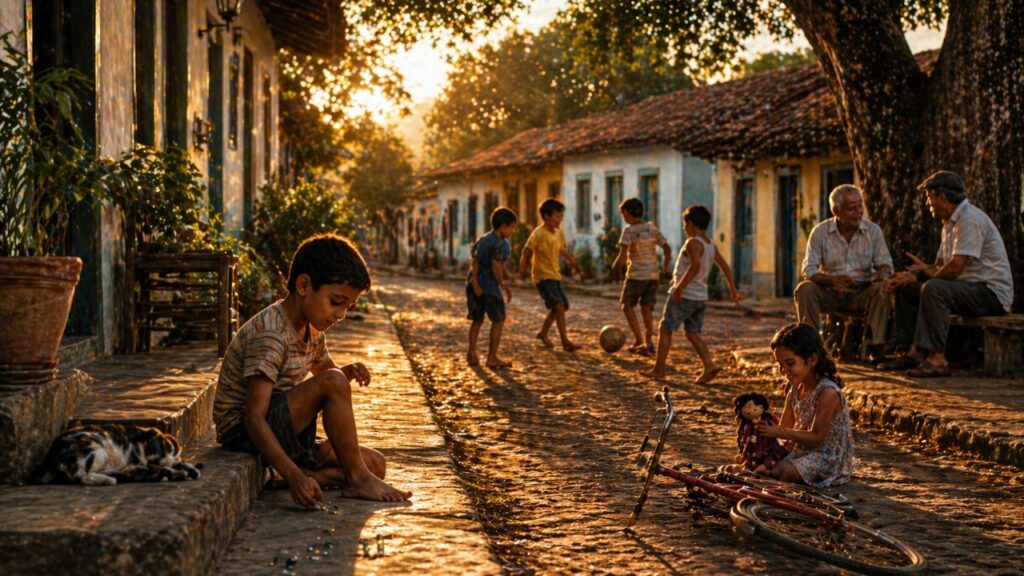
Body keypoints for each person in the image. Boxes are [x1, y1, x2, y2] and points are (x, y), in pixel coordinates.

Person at [214, 234, 411, 508]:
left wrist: (349, 371)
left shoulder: (312, 329)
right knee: (354, 459)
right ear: (304, 285)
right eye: (336, 301)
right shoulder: (270, 334)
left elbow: (328, 375)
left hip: (289, 428)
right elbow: (253, 418)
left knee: (376, 464)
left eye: (348, 307)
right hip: (243, 432)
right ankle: (349, 478)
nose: (341, 314)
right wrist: (292, 475)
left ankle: (326, 475)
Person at [882, 171, 1014, 377]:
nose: (928, 204)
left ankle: (937, 359)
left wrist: (922, 275)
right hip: (967, 289)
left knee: (934, 289)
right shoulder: (949, 224)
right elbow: (939, 267)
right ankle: (914, 352)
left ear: (941, 197)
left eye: (929, 198)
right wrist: (914, 276)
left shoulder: (969, 219)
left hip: (991, 294)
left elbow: (953, 270)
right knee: (908, 289)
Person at [642, 205, 741, 384]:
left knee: (665, 329)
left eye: (684, 224)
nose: (684, 228)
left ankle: (659, 369)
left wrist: (679, 288)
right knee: (692, 332)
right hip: (700, 296)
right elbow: (725, 267)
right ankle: (709, 365)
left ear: (690, 223)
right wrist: (733, 291)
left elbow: (694, 266)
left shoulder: (693, 242)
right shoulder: (710, 245)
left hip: (686, 295)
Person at [795, 184, 893, 364]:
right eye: (851, 208)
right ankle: (810, 347)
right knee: (805, 289)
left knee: (882, 288)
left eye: (859, 206)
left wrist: (878, 275)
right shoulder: (820, 232)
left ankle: (875, 347)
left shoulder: (873, 231)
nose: (858, 212)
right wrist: (831, 281)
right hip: (830, 292)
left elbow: (886, 265)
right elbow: (809, 269)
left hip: (862, 290)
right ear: (836, 211)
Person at [756, 323, 855, 488]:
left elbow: (817, 438)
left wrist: (779, 432)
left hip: (825, 458)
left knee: (783, 471)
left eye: (790, 363)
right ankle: (763, 474)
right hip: (800, 451)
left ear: (812, 360)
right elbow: (784, 429)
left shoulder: (827, 392)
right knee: (759, 460)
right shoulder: (794, 390)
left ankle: (766, 476)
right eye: (780, 364)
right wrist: (763, 432)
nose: (784, 370)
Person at [520, 198, 584, 351]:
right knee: (559, 306)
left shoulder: (559, 233)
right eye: (557, 216)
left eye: (561, 216)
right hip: (542, 276)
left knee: (561, 307)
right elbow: (526, 251)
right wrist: (522, 269)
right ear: (547, 216)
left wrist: (573, 263)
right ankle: (565, 341)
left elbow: (561, 251)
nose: (560, 219)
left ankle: (543, 333)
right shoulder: (538, 233)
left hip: (555, 275)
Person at [611, 198, 672, 355]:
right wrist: (665, 267)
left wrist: (615, 267)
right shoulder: (652, 229)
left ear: (627, 213)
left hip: (636, 276)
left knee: (627, 305)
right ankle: (649, 342)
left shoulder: (628, 231)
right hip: (652, 276)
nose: (623, 217)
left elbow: (623, 255)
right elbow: (667, 248)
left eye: (623, 213)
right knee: (646, 309)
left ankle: (639, 339)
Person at [467, 206, 517, 368]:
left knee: (477, 320)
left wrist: (474, 283)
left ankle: (472, 352)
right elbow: (496, 265)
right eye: (512, 227)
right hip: (489, 288)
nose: (512, 231)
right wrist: (502, 284)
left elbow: (475, 262)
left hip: (474, 285)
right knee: (498, 320)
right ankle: (492, 357)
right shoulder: (502, 244)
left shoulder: (483, 239)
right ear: (503, 226)